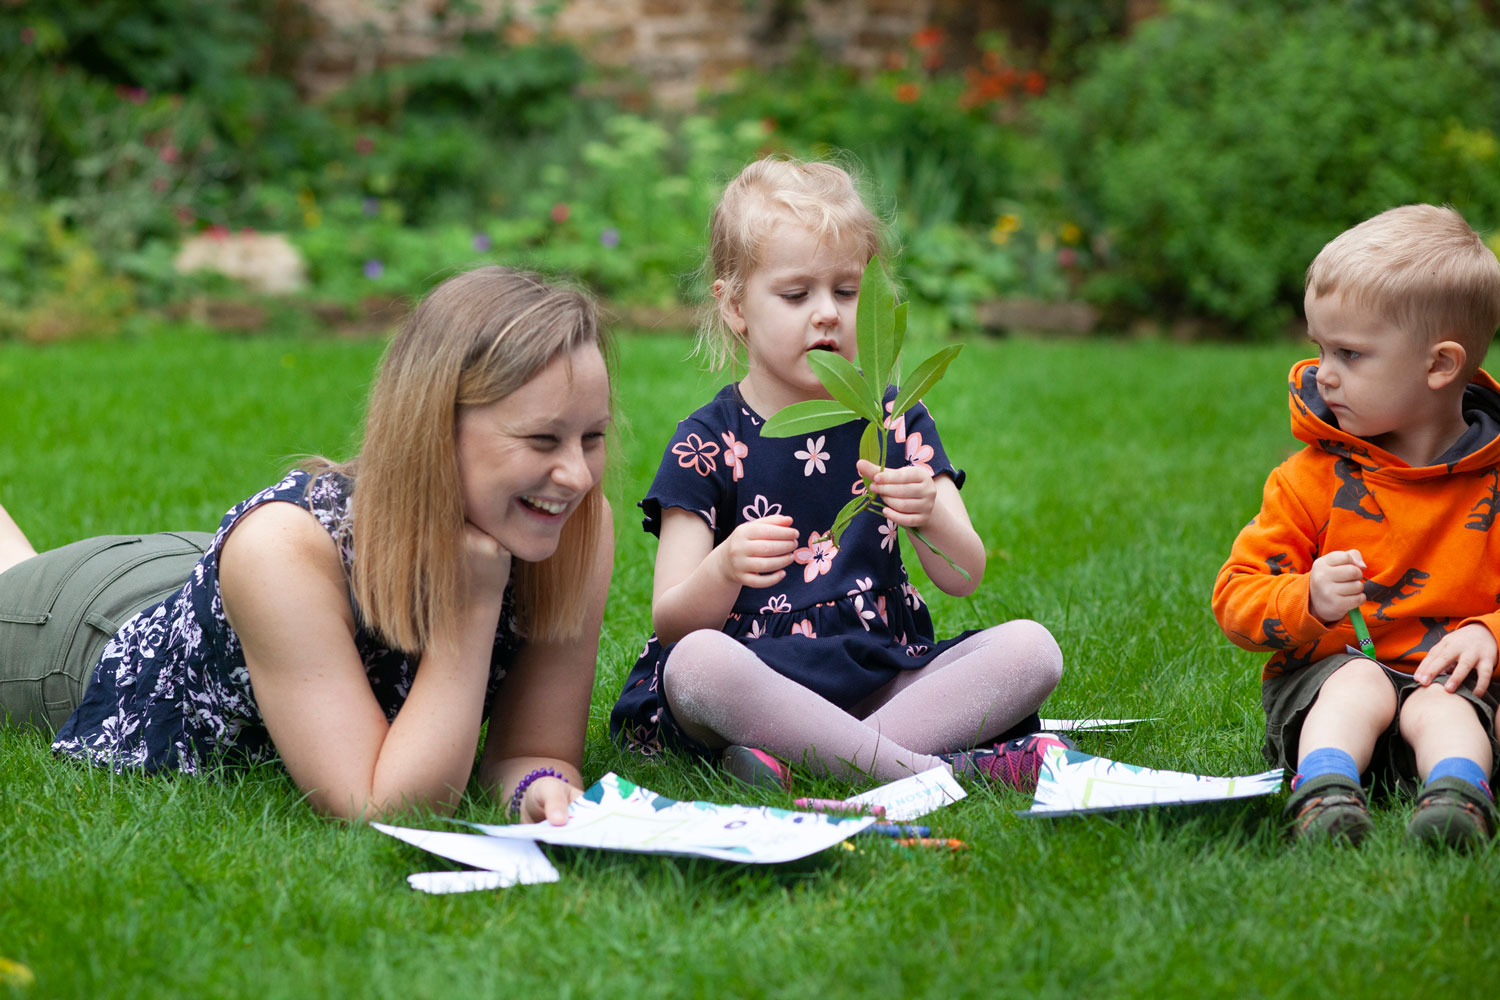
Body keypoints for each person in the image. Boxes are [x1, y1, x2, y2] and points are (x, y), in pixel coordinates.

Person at [0, 266, 614, 825]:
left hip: (230, 593)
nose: (578, 476)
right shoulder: (282, 550)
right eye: (541, 440)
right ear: (435, 430)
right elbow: (381, 808)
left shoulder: (574, 524)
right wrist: (473, 609)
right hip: (82, 629)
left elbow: (534, 751)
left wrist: (537, 788)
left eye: (591, 437)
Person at [609, 157, 1066, 791]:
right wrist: (724, 568)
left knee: (1032, 649)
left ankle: (816, 759)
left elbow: (964, 575)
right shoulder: (709, 440)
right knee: (694, 666)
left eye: (847, 292)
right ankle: (931, 771)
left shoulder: (893, 419)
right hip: (757, 680)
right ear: (736, 305)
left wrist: (928, 513)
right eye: (796, 295)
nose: (826, 313)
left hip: (878, 673)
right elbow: (673, 622)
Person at [1213, 204, 1500, 847]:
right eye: (1319, 348)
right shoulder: (1309, 479)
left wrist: (1490, 632)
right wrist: (1306, 598)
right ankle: (1324, 792)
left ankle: (1457, 797)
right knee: (1361, 679)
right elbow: (1235, 595)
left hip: (1458, 693)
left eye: (1349, 353)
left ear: (1439, 366)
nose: (1323, 373)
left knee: (1441, 703)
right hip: (1332, 691)